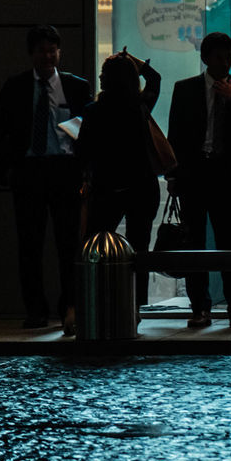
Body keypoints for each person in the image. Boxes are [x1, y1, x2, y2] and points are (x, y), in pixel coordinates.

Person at [0, 25, 91, 331]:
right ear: (31, 53)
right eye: (41, 50)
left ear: (59, 52)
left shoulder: (76, 86)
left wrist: (86, 171)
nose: (47, 56)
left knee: (67, 244)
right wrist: (7, 169)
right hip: (29, 172)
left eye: (52, 50)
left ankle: (68, 308)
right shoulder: (15, 86)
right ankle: (35, 311)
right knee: (29, 245)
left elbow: (87, 132)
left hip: (64, 171)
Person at [167, 32, 231, 329]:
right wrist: (173, 175)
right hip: (195, 174)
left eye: (229, 57)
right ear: (206, 58)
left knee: (230, 244)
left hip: (226, 175)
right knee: (195, 243)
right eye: (220, 57)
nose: (225, 63)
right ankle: (200, 308)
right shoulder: (185, 90)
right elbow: (175, 135)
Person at [76, 49, 163, 313]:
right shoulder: (139, 106)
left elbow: (83, 151)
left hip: (107, 189)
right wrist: (137, 63)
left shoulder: (94, 111)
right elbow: (155, 79)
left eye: (104, 75)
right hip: (141, 188)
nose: (100, 78)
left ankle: (99, 304)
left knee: (95, 247)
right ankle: (135, 307)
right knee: (139, 251)